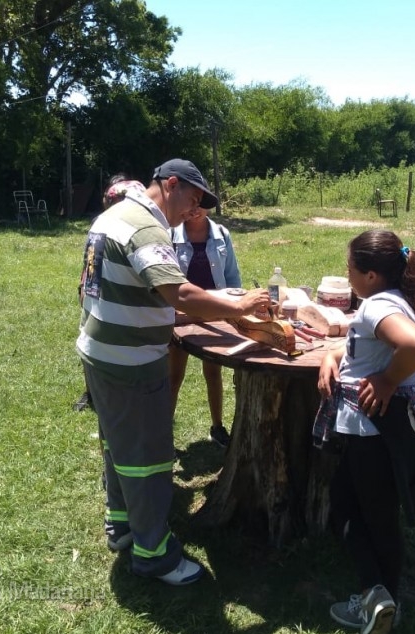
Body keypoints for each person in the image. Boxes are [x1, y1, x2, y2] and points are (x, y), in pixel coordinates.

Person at [77, 158, 270, 586]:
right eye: (192, 197)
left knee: (119, 448)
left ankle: (122, 525)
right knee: (147, 459)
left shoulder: (112, 216)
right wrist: (238, 306)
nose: (193, 208)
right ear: (170, 184)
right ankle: (154, 555)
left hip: (100, 353)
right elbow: (178, 292)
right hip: (130, 363)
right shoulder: (145, 227)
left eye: (201, 201)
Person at [317, 230, 415, 634]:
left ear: (371, 275)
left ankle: (381, 598)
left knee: (368, 515)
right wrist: (331, 356)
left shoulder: (376, 307)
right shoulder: (390, 301)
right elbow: (360, 340)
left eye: (351, 268)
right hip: (385, 432)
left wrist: (387, 380)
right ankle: (381, 596)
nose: (347, 274)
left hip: (370, 431)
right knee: (366, 509)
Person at [169, 205, 242, 447]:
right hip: (181, 315)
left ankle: (217, 426)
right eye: (191, 204)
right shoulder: (171, 235)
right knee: (174, 375)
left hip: (214, 313)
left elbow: (232, 278)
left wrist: (235, 306)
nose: (196, 210)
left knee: (213, 371)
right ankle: (164, 431)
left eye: (202, 204)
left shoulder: (221, 234)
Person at [73, 173, 145, 412]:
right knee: (88, 338)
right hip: (94, 287)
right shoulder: (99, 222)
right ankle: (90, 391)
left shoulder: (140, 224)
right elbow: (90, 259)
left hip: (122, 294)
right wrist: (84, 286)